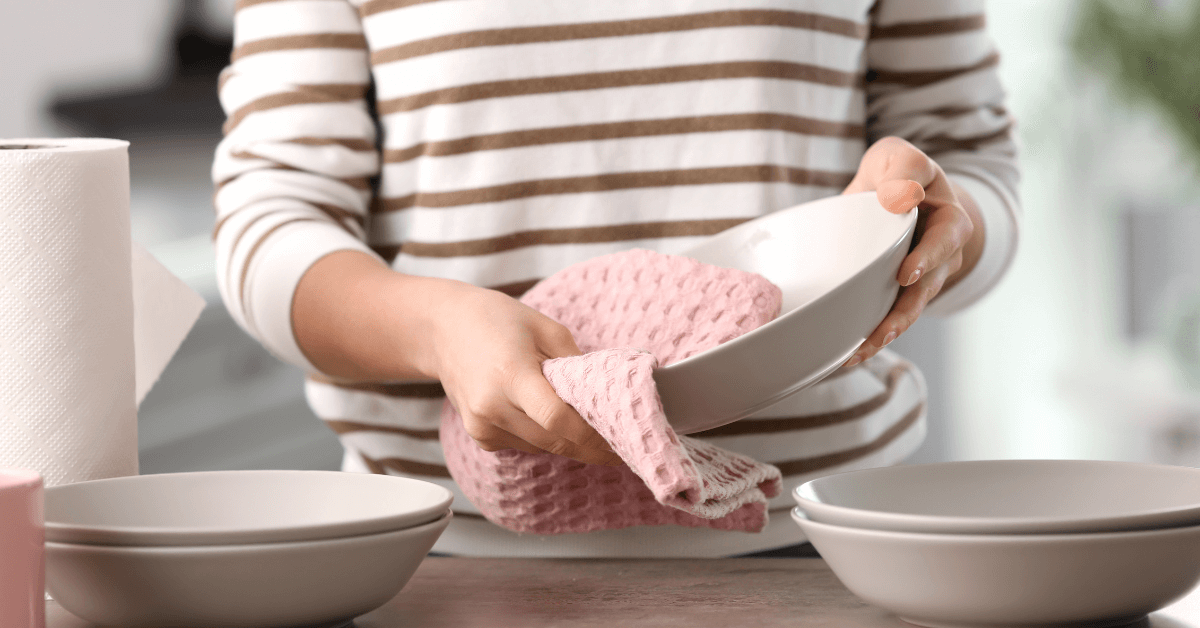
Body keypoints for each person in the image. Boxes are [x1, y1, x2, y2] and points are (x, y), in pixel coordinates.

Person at [212, 0, 1019, 557]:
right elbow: (268, 223)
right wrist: (440, 330)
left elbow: (974, 162)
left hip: (827, 543)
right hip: (438, 557)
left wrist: (932, 226)